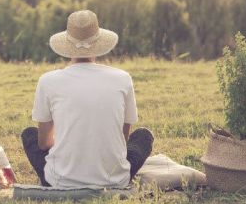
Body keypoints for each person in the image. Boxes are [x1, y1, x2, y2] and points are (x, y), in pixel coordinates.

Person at [21, 10, 154, 188]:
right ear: (98, 43)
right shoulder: (123, 78)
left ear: (67, 45)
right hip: (113, 181)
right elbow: (122, 140)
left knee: (30, 134)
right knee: (143, 136)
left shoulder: (48, 81)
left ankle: (61, 173)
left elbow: (44, 143)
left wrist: (67, 142)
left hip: (61, 182)